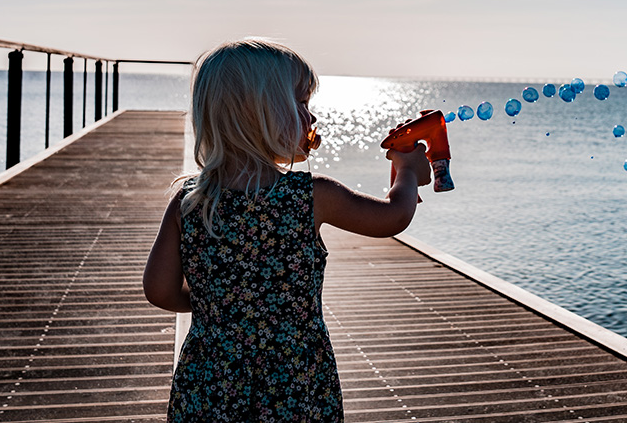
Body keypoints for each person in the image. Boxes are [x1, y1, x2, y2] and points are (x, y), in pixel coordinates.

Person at [142, 38, 431, 422]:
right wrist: (408, 172)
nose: (311, 119)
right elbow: (394, 217)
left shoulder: (190, 202)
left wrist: (227, 307)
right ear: (260, 114)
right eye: (301, 104)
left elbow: (159, 290)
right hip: (293, 382)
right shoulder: (311, 196)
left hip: (209, 382)